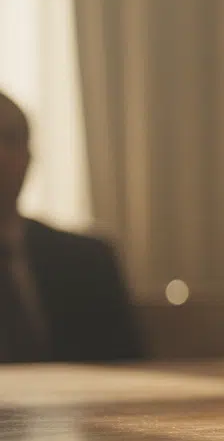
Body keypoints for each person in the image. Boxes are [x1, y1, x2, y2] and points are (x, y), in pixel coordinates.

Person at [0, 91, 141, 363]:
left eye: (11, 140)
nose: (1, 155)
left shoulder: (89, 261)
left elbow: (131, 367)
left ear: (29, 157)